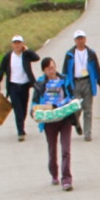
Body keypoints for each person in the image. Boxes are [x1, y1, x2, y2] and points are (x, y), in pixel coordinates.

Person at [33, 56, 77, 191]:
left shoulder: (64, 79)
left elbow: (71, 94)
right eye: (48, 69)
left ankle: (67, 179)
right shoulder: (40, 84)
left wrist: (70, 104)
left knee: (66, 150)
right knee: (52, 150)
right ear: (44, 71)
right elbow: (35, 102)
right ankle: (54, 174)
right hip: (49, 121)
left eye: (53, 67)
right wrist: (34, 112)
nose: (51, 70)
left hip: (64, 119)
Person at [0, 35, 40, 141]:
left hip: (24, 86)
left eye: (19, 43)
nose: (17, 45)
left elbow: (37, 58)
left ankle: (21, 127)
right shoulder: (8, 57)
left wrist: (28, 50)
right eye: (15, 43)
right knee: (18, 110)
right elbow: (1, 71)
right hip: (13, 86)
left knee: (23, 109)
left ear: (23, 44)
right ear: (12, 45)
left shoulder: (26, 55)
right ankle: (20, 132)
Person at [63, 30, 100, 141]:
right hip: (75, 83)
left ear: (85, 39)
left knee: (88, 109)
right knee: (76, 107)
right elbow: (65, 72)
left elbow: (97, 68)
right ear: (75, 40)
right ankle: (76, 122)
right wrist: (64, 86)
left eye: (82, 38)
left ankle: (87, 133)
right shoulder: (69, 54)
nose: (80, 41)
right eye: (78, 39)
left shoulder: (91, 53)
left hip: (87, 82)